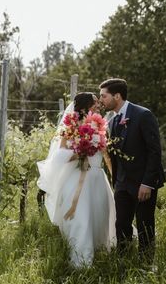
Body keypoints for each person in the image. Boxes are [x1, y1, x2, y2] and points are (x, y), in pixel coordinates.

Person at [37, 92, 116, 267]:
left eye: (98, 101)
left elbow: (106, 155)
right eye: (95, 102)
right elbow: (60, 154)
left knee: (101, 213)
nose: (98, 104)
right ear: (86, 105)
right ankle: (82, 260)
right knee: (82, 216)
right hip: (78, 177)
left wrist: (114, 176)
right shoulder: (70, 126)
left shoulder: (100, 125)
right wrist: (79, 152)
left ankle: (102, 252)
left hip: (97, 178)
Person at [99, 78, 166, 263]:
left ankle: (146, 265)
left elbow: (154, 151)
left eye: (104, 96)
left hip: (142, 183)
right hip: (122, 184)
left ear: (117, 96)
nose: (101, 100)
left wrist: (147, 183)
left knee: (145, 225)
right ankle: (123, 261)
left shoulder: (143, 115)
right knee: (121, 224)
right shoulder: (112, 122)